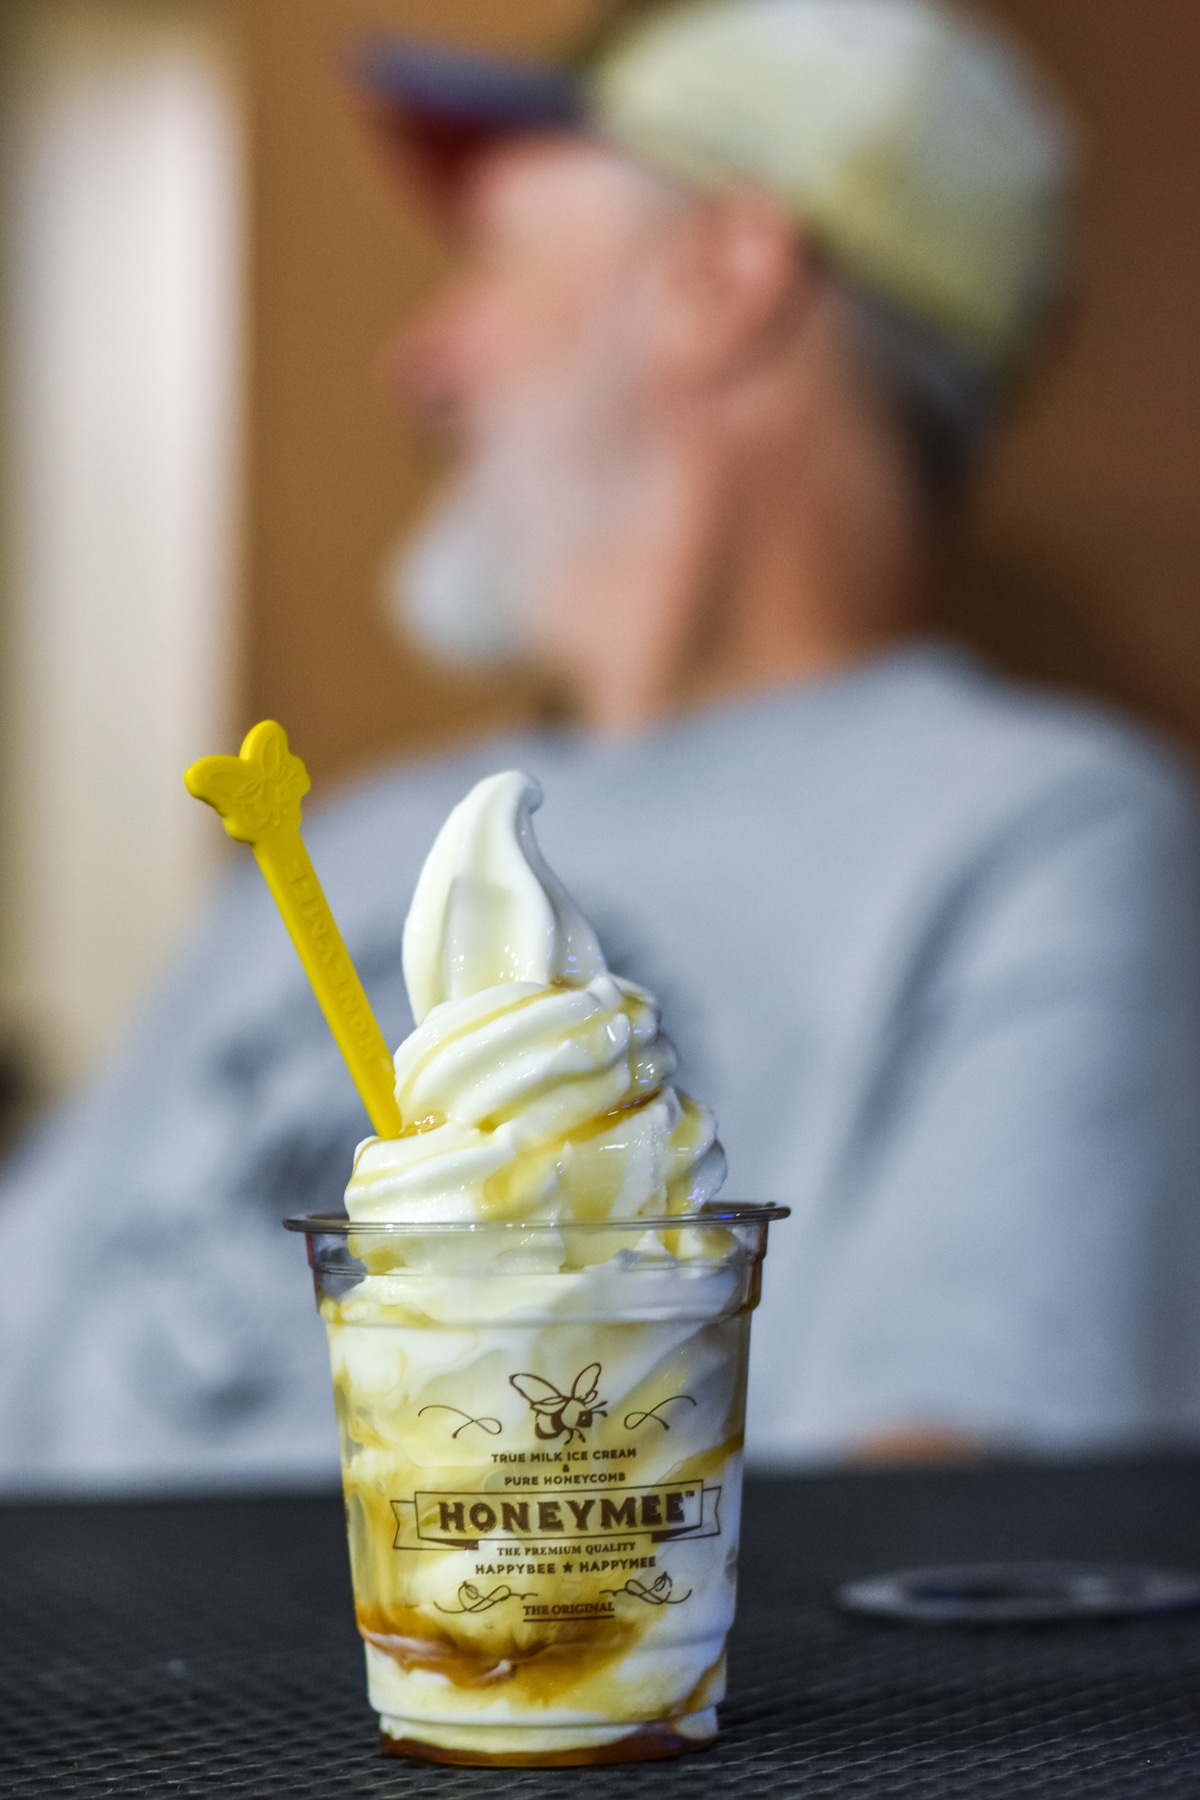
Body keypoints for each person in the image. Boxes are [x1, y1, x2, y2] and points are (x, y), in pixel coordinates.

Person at [3, 0, 1200, 1496]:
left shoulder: (1045, 842)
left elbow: (951, 1538)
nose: (420, 367)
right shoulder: (331, 846)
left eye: (488, 262)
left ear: (723, 278)